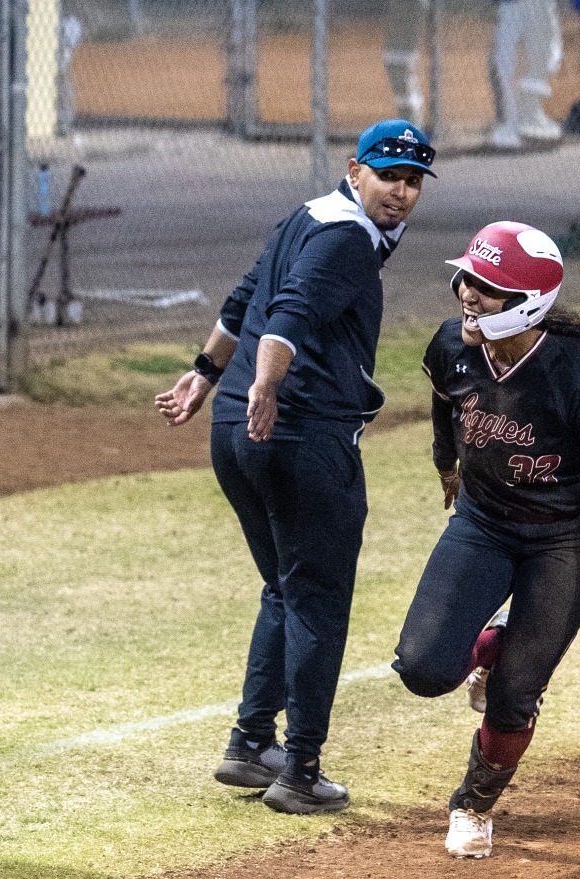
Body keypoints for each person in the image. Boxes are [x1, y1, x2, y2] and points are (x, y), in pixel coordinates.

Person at [154, 120, 431, 816]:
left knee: (284, 587)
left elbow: (243, 297)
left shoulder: (310, 215)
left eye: (411, 180)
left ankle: (251, 745)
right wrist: (266, 383)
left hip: (237, 435)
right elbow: (286, 313)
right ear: (354, 169)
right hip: (295, 432)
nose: (399, 190)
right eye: (388, 174)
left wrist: (203, 374)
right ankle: (301, 767)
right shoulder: (344, 239)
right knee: (317, 599)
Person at [390, 222, 580, 859]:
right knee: (423, 669)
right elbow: (444, 403)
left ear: (530, 304)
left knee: (515, 696)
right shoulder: (451, 347)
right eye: (468, 279)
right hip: (484, 524)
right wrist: (447, 467)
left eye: (488, 288)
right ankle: (492, 645)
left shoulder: (577, 376)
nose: (468, 295)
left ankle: (473, 804)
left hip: (571, 538)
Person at [488, 0, 565, 149]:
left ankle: (532, 115)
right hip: (511, 5)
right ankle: (513, 121)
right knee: (507, 60)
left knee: (546, 55)